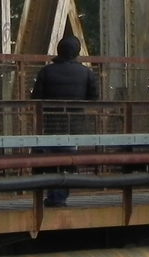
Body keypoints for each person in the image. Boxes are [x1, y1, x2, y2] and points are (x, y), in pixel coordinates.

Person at [29, 35, 100, 207]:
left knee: (51, 160)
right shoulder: (86, 73)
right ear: (77, 52)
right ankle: (59, 197)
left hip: (50, 123)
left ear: (59, 50)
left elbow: (36, 97)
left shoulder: (46, 71)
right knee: (67, 160)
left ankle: (53, 196)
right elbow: (93, 97)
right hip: (73, 124)